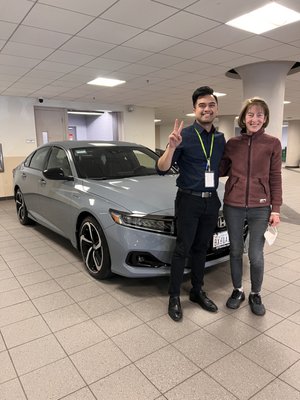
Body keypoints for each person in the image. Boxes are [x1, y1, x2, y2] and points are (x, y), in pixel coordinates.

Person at [156, 86, 226, 321]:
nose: (207, 109)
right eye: (202, 105)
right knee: (183, 248)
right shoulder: (183, 136)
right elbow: (161, 168)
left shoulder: (219, 138)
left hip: (211, 201)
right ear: (195, 109)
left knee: (201, 248)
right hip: (188, 200)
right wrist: (171, 147)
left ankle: (197, 291)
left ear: (216, 108)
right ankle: (174, 296)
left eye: (211, 105)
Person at [220, 97, 282, 316]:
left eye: (259, 115)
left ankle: (256, 293)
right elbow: (221, 169)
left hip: (260, 207)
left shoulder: (272, 143)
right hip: (233, 204)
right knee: (235, 250)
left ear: (265, 119)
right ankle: (238, 290)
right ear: (243, 118)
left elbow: (275, 176)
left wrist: (276, 208)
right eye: (251, 114)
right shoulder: (233, 143)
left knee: (255, 254)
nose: (255, 119)